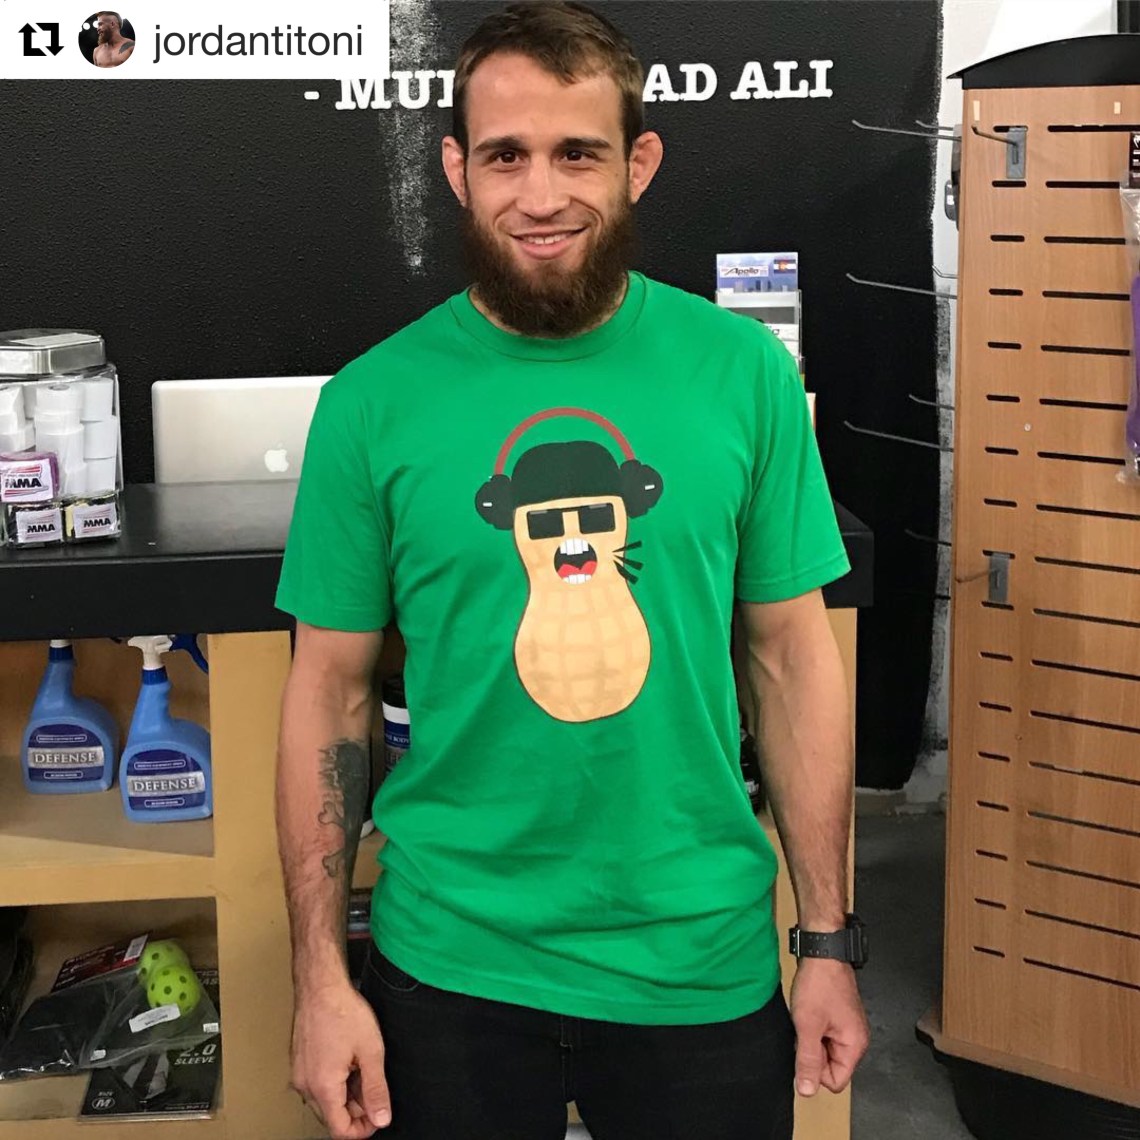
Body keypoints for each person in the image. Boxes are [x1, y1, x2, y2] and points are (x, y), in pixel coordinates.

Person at [274, 3, 870, 1138]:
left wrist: (830, 942)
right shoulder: (371, 402)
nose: (540, 195)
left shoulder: (741, 372)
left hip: (699, 959)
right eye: (506, 155)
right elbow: (329, 691)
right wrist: (319, 980)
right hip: (450, 965)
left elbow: (792, 660)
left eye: (578, 154)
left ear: (638, 164)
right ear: (457, 170)